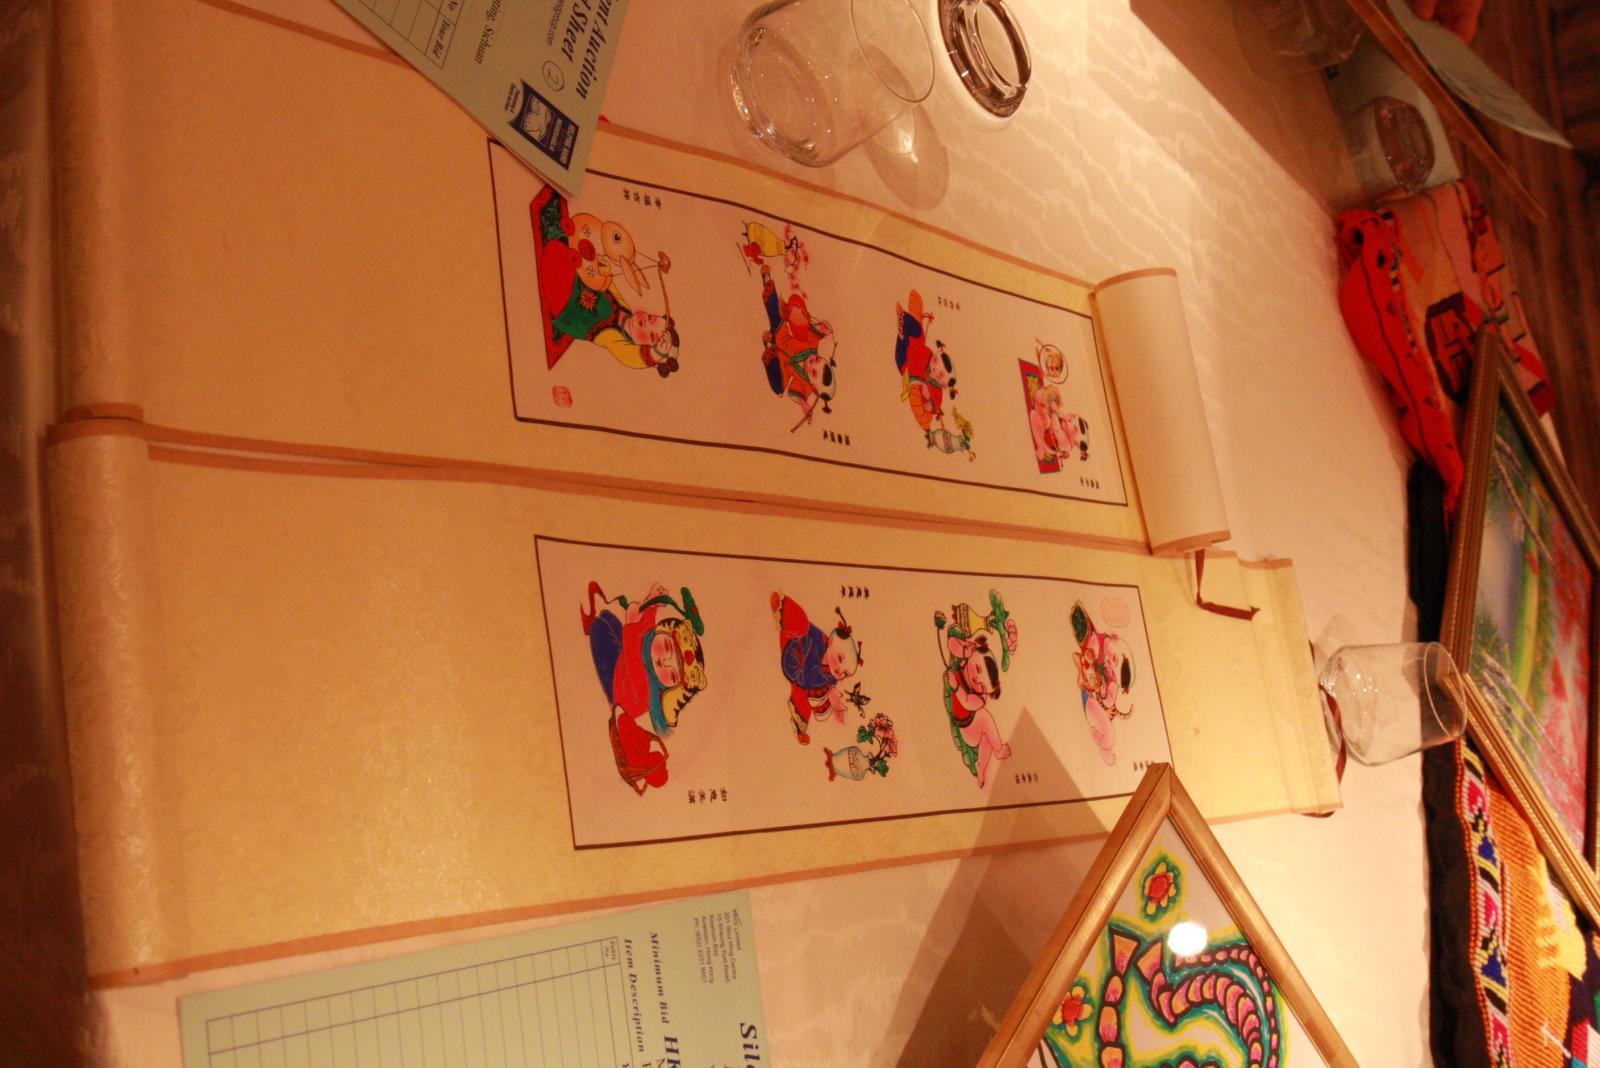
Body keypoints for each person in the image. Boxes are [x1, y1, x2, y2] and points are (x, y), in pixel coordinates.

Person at [581, 581, 707, 793]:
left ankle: (590, 625)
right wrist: (652, 604)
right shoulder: (650, 653)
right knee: (607, 617)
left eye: (672, 674)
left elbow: (633, 649)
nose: (663, 661)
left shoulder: (645, 687)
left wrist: (632, 620)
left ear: (671, 688)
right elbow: (647, 633)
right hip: (624, 664)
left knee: (599, 626)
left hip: (615, 679)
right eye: (666, 646)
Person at [935, 599, 1019, 788]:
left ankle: (984, 763)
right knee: (986, 725)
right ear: (975, 652)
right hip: (964, 728)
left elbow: (966, 701)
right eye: (978, 670)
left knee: (986, 730)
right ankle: (995, 753)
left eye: (982, 686)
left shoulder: (978, 699)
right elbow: (951, 643)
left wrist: (956, 687)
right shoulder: (966, 657)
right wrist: (966, 649)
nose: (976, 680)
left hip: (970, 728)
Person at [771, 593, 862, 745]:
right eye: (840, 659)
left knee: (804, 703)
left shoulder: (830, 677)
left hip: (801, 682)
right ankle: (782, 608)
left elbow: (817, 688)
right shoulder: (820, 640)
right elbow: (808, 630)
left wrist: (834, 700)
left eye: (845, 673)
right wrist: (830, 691)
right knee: (802, 623)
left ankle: (800, 730)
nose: (840, 671)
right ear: (831, 642)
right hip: (793, 650)